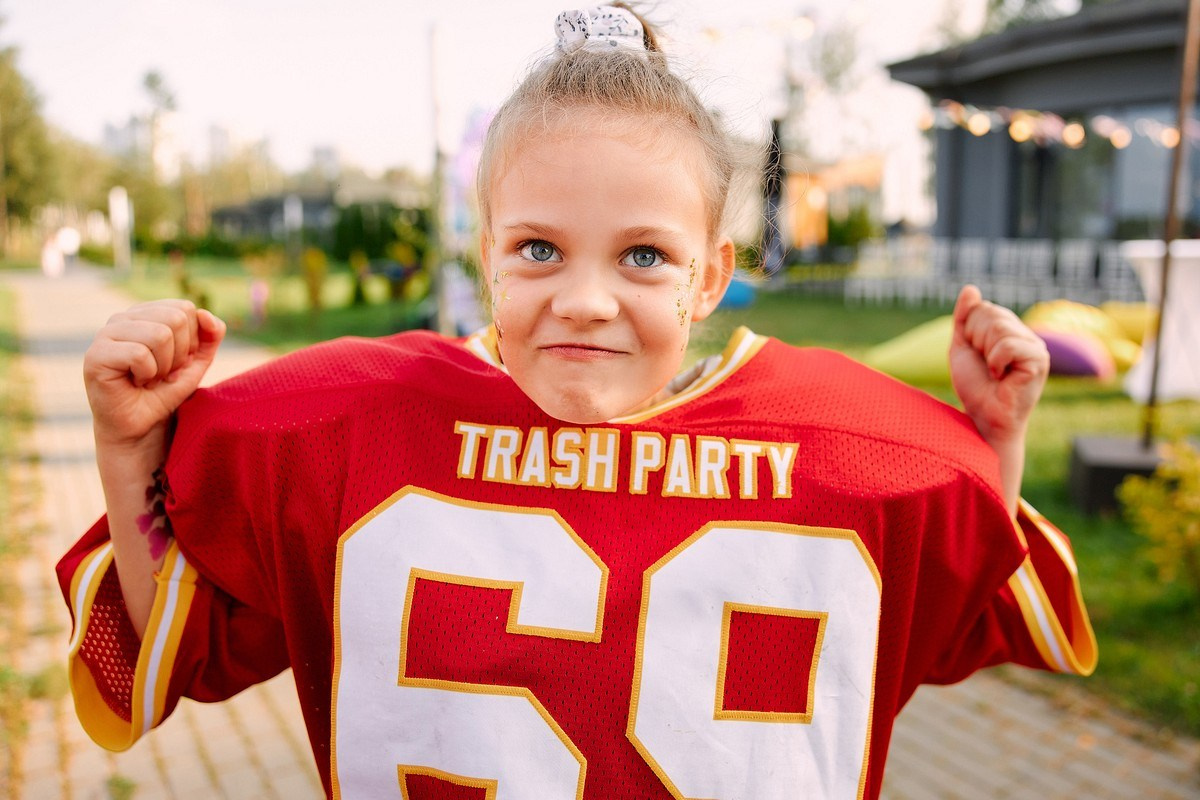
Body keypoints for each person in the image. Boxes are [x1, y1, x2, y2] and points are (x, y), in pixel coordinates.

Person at [59, 6, 1095, 798]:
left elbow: (954, 593)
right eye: (539, 248)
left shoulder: (845, 451)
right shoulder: (349, 427)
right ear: (487, 257)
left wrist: (990, 440)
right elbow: (175, 648)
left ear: (708, 274)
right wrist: (127, 446)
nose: (585, 299)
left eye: (644, 254)